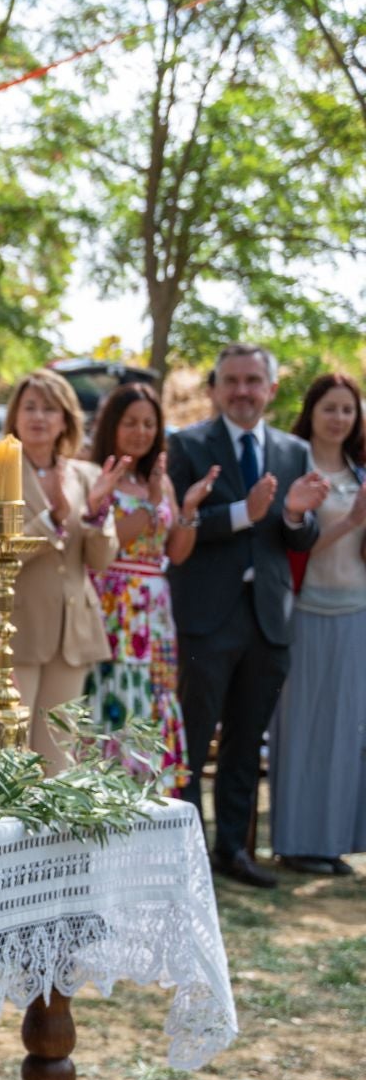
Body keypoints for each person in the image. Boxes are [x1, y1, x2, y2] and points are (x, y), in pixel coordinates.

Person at [166, 342, 327, 888]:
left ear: (271, 389)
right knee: (190, 738)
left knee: (245, 741)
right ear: (214, 388)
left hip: (268, 621)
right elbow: (179, 527)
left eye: (253, 381)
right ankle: (182, 852)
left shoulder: (293, 451)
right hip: (205, 618)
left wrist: (297, 515)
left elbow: (297, 536)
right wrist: (241, 513)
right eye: (231, 380)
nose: (242, 391)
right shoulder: (185, 445)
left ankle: (233, 849)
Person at [85, 384, 211, 789]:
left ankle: (148, 785)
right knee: (114, 684)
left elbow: (177, 551)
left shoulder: (162, 482)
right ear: (112, 426)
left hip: (155, 604)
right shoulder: (97, 474)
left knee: (156, 690)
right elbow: (109, 540)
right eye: (130, 423)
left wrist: (187, 510)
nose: (140, 431)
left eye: (148, 423)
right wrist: (148, 503)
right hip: (113, 596)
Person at [270, 372, 366, 875]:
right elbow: (293, 547)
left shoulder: (361, 471)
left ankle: (333, 842)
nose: (339, 418)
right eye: (330, 408)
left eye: (348, 409)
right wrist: (349, 522)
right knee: (302, 729)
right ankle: (297, 842)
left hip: (357, 612)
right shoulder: (295, 466)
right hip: (305, 610)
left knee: (347, 732)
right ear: (312, 411)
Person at [4, 370, 121, 772]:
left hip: (74, 631)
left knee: (58, 754)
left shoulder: (86, 475)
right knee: (12, 754)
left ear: (66, 419)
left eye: (49, 408)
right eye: (30, 407)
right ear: (15, 417)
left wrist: (98, 514)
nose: (38, 417)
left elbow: (102, 560)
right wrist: (50, 519)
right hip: (16, 626)